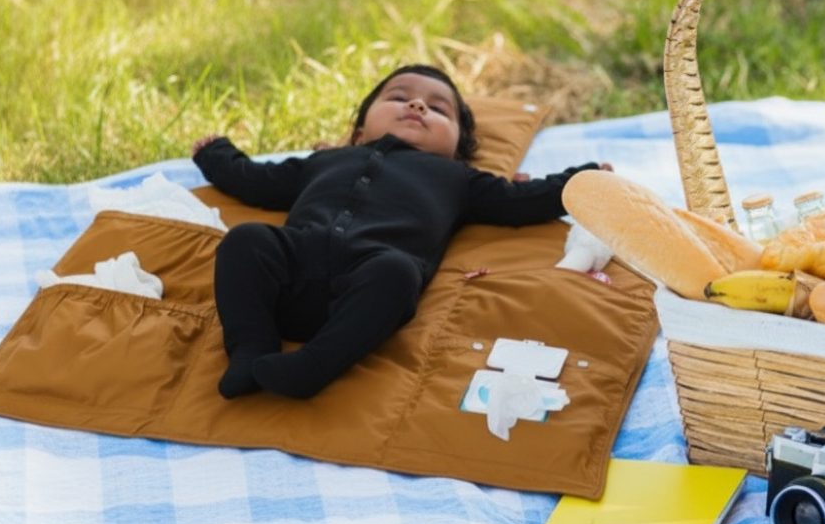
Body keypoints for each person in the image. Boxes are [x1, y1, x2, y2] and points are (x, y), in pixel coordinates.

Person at [193, 64, 605, 399]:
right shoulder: (325, 161)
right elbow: (256, 181)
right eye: (397, 97)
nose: (417, 104)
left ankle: (315, 365)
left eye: (439, 109)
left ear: (457, 149)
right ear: (358, 133)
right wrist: (216, 154)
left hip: (368, 284)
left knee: (396, 272)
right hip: (292, 269)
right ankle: (250, 349)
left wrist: (586, 179)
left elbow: (523, 200)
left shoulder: (457, 178)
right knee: (246, 240)